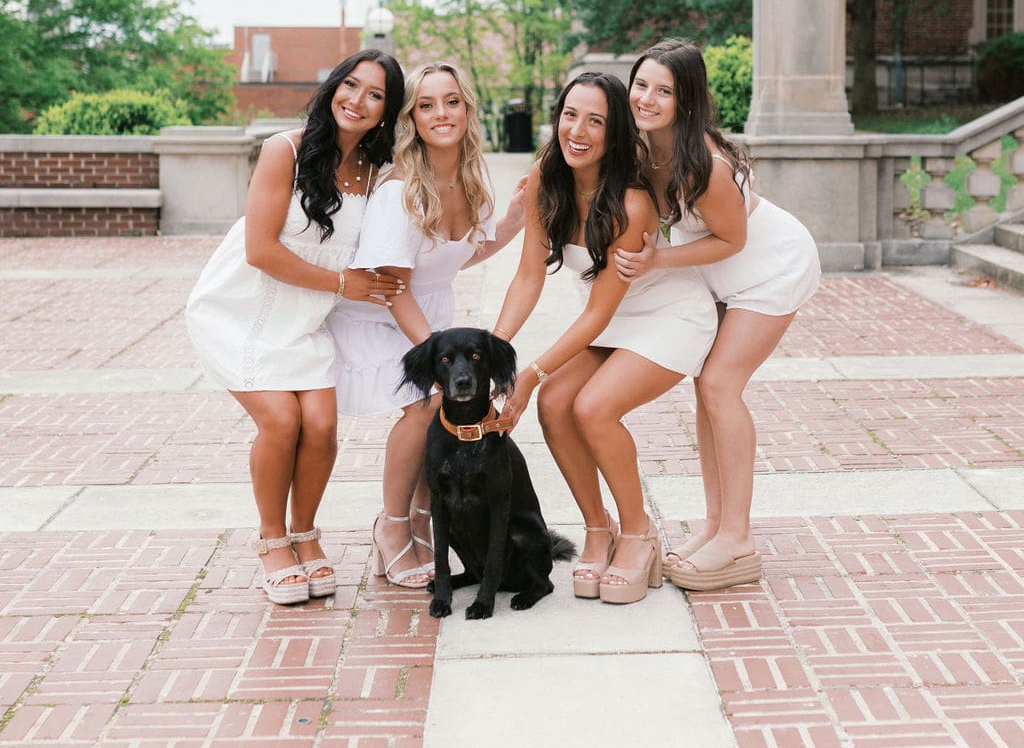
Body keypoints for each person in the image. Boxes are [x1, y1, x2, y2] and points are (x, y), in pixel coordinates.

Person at [186, 51, 406, 605]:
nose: (358, 100)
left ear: (386, 111)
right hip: (242, 308)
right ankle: (271, 541)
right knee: (282, 421)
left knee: (323, 428)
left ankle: (306, 535)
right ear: (333, 87)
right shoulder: (282, 150)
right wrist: (340, 285)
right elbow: (260, 250)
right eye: (350, 85)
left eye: (375, 94)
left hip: (305, 318)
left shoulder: (379, 174)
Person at [494, 73, 719, 606]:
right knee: (554, 404)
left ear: (615, 132)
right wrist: (495, 352)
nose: (578, 130)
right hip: (615, 321)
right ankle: (599, 527)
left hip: (669, 315)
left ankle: (639, 533)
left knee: (592, 407)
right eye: (571, 114)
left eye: (596, 121)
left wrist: (529, 373)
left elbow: (596, 312)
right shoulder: (546, 178)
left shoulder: (631, 201)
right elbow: (528, 276)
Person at [615, 39, 821, 592]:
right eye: (641, 85)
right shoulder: (644, 147)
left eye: (665, 91)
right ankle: (715, 525)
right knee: (706, 389)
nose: (648, 98)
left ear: (686, 101)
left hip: (771, 266)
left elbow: (733, 238)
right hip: (726, 276)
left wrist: (658, 257)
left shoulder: (701, 162)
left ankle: (738, 538)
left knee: (719, 386)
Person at [329, 61, 527, 589]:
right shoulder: (401, 190)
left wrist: (516, 217)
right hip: (380, 313)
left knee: (442, 413)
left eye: (452, 101)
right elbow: (394, 288)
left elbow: (456, 258)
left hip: (428, 310)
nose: (442, 113)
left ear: (467, 108)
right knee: (424, 408)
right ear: (411, 118)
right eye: (426, 104)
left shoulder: (469, 175)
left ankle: (421, 522)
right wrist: (438, 360)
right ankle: (391, 527)